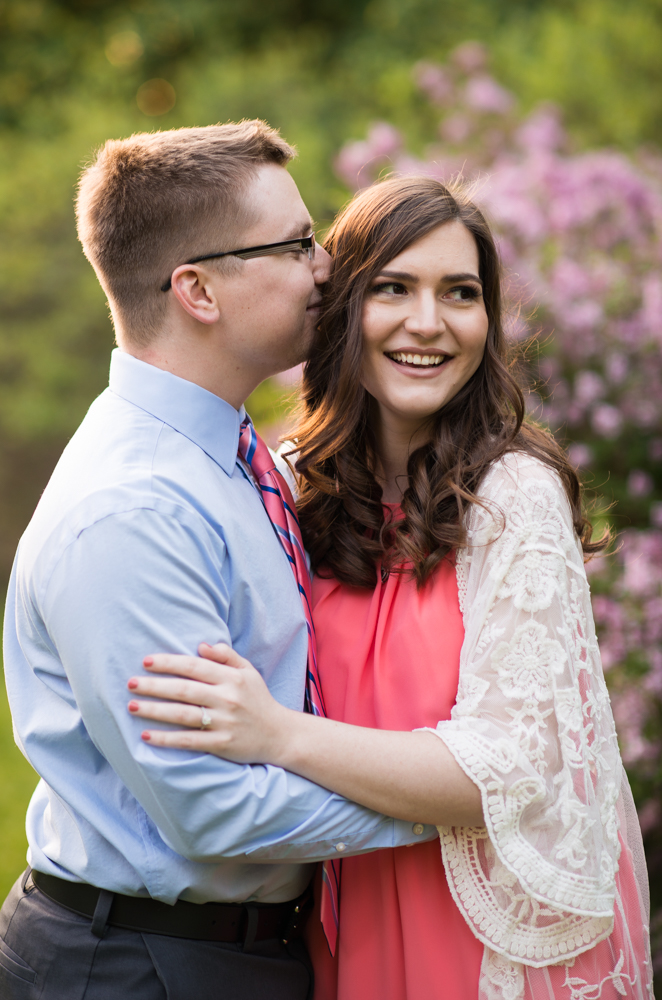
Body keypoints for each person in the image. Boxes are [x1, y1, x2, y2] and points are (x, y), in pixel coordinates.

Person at [127, 176, 654, 999]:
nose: (427, 323)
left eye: (460, 294)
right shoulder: (291, 485)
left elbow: (506, 771)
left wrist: (276, 735)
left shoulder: (510, 495)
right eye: (392, 289)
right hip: (341, 916)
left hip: (483, 933)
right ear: (342, 310)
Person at [0, 124, 435, 1000]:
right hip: (139, 966)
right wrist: (455, 803)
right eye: (297, 244)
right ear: (196, 289)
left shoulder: (232, 455)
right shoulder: (133, 514)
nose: (327, 268)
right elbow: (212, 811)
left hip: (229, 950)